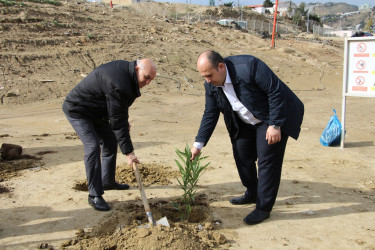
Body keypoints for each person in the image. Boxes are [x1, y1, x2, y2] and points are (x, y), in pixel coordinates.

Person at [190, 51, 304, 224]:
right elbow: (210, 113)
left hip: (271, 117)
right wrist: (198, 144)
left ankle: (263, 208)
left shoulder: (249, 67)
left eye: (209, 75)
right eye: (203, 76)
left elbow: (275, 91)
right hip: (245, 120)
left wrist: (275, 125)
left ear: (221, 67)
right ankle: (252, 192)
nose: (207, 80)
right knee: (242, 155)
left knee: (267, 161)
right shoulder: (211, 85)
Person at [62, 58, 157, 211]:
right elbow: (118, 121)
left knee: (110, 140)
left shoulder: (126, 73)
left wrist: (122, 120)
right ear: (137, 69)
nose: (148, 83)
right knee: (92, 146)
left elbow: (118, 108)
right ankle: (94, 195)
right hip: (78, 110)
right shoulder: (119, 81)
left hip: (97, 111)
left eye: (151, 79)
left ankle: (107, 181)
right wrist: (129, 153)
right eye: (146, 77)